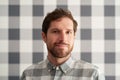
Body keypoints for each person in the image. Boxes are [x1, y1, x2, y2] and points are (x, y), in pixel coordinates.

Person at [21, 8, 104, 80]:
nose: (63, 39)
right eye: (56, 31)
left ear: (74, 36)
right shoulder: (28, 75)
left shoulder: (93, 75)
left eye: (68, 32)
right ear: (44, 36)